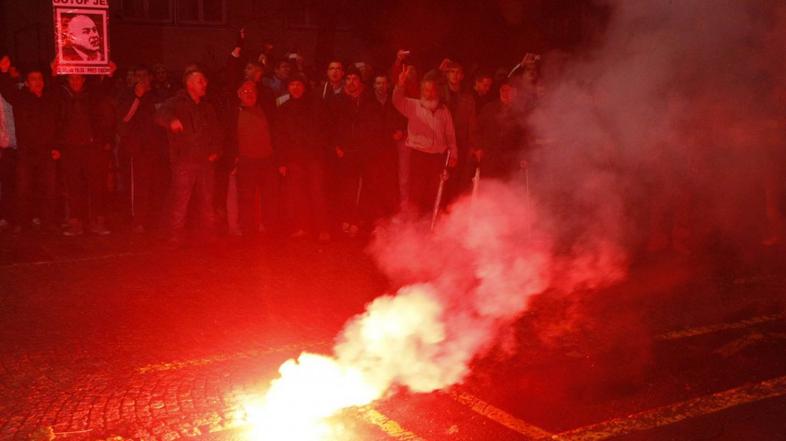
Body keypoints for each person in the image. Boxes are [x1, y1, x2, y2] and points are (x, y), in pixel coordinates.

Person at [155, 65, 222, 246]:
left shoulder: (207, 107)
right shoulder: (176, 103)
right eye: (201, 81)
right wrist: (171, 121)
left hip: (205, 161)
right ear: (190, 84)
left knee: (207, 200)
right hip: (184, 160)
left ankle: (208, 235)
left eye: (205, 81)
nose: (205, 84)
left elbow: (216, 131)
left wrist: (216, 150)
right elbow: (160, 113)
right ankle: (175, 235)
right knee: (180, 200)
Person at [0, 56, 59, 234]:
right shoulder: (21, 98)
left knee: (49, 189)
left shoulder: (49, 98)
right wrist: (3, 72)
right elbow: (6, 89)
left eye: (40, 79)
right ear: (26, 83)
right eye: (33, 80)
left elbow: (57, 123)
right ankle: (22, 223)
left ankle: (47, 222)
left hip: (46, 152)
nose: (37, 83)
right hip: (25, 152)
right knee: (23, 188)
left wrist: (54, 73)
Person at [55, 69, 116, 236]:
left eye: (78, 78)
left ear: (83, 79)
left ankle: (98, 221)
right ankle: (76, 222)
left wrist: (108, 72)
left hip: (91, 147)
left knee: (97, 186)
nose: (75, 82)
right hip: (70, 148)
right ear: (67, 79)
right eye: (71, 78)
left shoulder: (93, 95)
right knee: (74, 187)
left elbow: (104, 89)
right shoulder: (60, 95)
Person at [392, 66, 457, 216]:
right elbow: (397, 100)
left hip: (438, 158)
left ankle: (431, 223)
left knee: (435, 191)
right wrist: (400, 84)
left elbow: (450, 135)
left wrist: (454, 154)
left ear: (437, 91)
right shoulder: (413, 105)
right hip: (419, 156)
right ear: (422, 91)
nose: (429, 93)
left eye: (432, 90)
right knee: (417, 191)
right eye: (426, 90)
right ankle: (415, 225)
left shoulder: (444, 110)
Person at [275, 75, 330, 241]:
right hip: (294, 159)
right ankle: (303, 227)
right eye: (292, 84)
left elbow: (323, 131)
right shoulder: (283, 109)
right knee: (298, 195)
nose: (295, 87)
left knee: (317, 193)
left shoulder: (316, 106)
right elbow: (280, 137)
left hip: (314, 157)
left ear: (304, 87)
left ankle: (323, 229)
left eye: (298, 84)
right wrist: (282, 161)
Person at [225, 80, 279, 237]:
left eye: (252, 91)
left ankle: (270, 228)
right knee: (246, 198)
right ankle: (249, 230)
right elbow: (229, 138)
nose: (249, 94)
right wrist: (233, 159)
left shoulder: (266, 111)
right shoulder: (233, 113)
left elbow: (275, 134)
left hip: (267, 160)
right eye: (245, 92)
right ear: (238, 94)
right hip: (246, 161)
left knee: (269, 197)